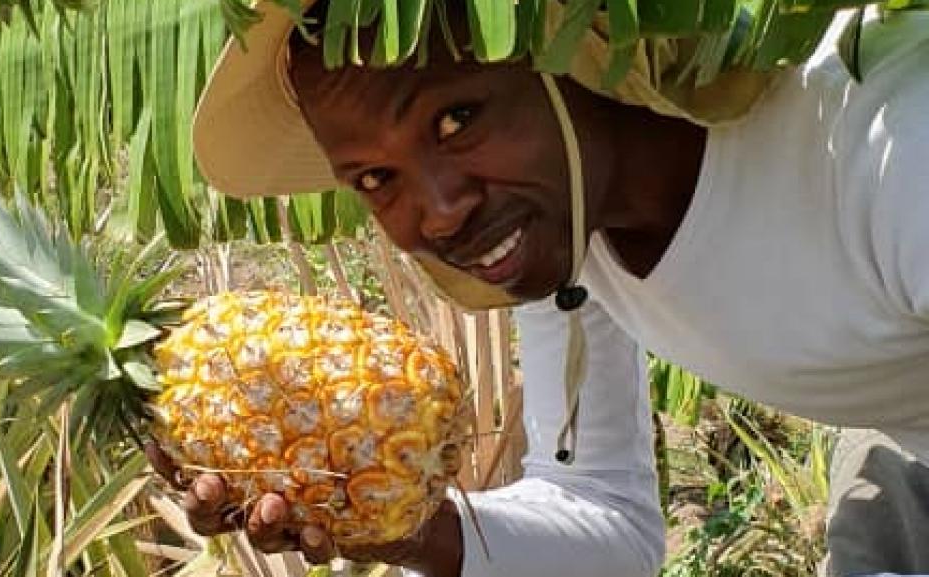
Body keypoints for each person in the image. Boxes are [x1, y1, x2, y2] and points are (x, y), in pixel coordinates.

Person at [147, 2, 929, 576]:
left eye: (456, 120)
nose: (441, 210)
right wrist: (396, 528)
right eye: (377, 178)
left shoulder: (886, 147)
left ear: (569, 46)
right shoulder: (566, 239)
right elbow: (608, 521)